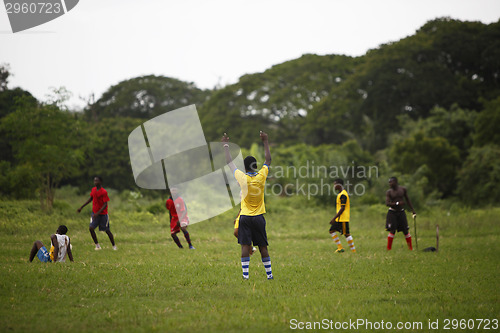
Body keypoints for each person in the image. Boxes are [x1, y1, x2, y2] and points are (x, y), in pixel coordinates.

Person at [222, 131, 273, 280]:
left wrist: (225, 145)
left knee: (245, 246)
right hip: (258, 218)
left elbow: (229, 163)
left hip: (244, 217)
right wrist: (265, 141)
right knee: (263, 247)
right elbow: (268, 160)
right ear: (256, 165)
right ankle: (269, 276)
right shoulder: (262, 176)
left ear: (244, 168)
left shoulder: (242, 177)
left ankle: (245, 276)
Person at [77, 176, 117, 250]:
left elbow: (105, 204)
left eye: (97, 181)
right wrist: (81, 207)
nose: (95, 182)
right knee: (91, 228)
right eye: (94, 181)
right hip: (94, 214)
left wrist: (98, 213)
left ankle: (114, 246)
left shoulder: (104, 192)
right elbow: (91, 199)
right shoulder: (93, 190)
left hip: (103, 215)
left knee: (107, 230)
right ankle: (97, 245)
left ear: (100, 182)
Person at [385, 176, 416, 250]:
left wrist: (413, 210)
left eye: (391, 182)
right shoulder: (389, 192)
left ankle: (410, 248)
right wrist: (397, 203)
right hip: (392, 213)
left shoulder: (403, 189)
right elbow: (387, 203)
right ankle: (389, 248)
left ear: (395, 182)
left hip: (401, 212)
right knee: (392, 230)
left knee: (405, 230)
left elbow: (407, 200)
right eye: (389, 182)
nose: (390, 184)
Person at [329, 179, 356, 253]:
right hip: (340, 218)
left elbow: (343, 208)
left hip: (343, 218)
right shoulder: (340, 194)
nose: (334, 186)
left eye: (335, 184)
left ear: (339, 184)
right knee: (331, 230)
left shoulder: (343, 194)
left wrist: (334, 218)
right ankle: (340, 248)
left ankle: (353, 251)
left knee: (346, 234)